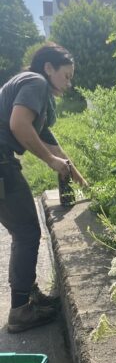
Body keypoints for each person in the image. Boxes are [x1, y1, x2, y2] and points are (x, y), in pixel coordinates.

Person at [0, 42, 87, 333]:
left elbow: (46, 137)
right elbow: (18, 124)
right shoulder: (36, 82)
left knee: (22, 230)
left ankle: (26, 296)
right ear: (48, 68)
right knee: (26, 232)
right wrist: (50, 161)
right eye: (66, 75)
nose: (68, 82)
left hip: (4, 160)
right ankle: (21, 311)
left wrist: (74, 173)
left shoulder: (37, 93)